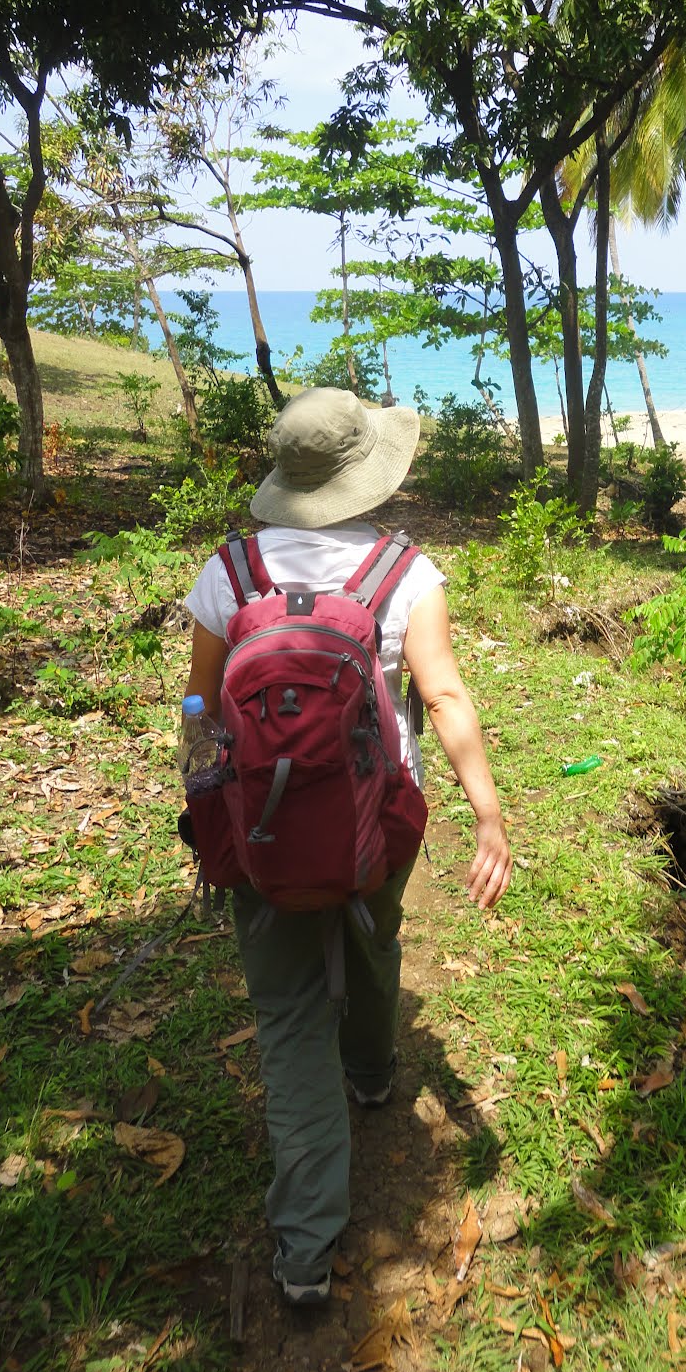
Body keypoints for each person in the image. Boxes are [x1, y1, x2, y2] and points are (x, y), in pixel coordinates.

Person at [181, 386, 512, 1306]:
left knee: (288, 1022)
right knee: (374, 940)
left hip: (262, 835)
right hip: (381, 821)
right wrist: (488, 813)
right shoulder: (405, 571)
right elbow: (443, 699)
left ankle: (300, 1260)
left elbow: (202, 708)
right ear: (366, 473)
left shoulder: (230, 570)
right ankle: (372, 1075)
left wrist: (211, 810)